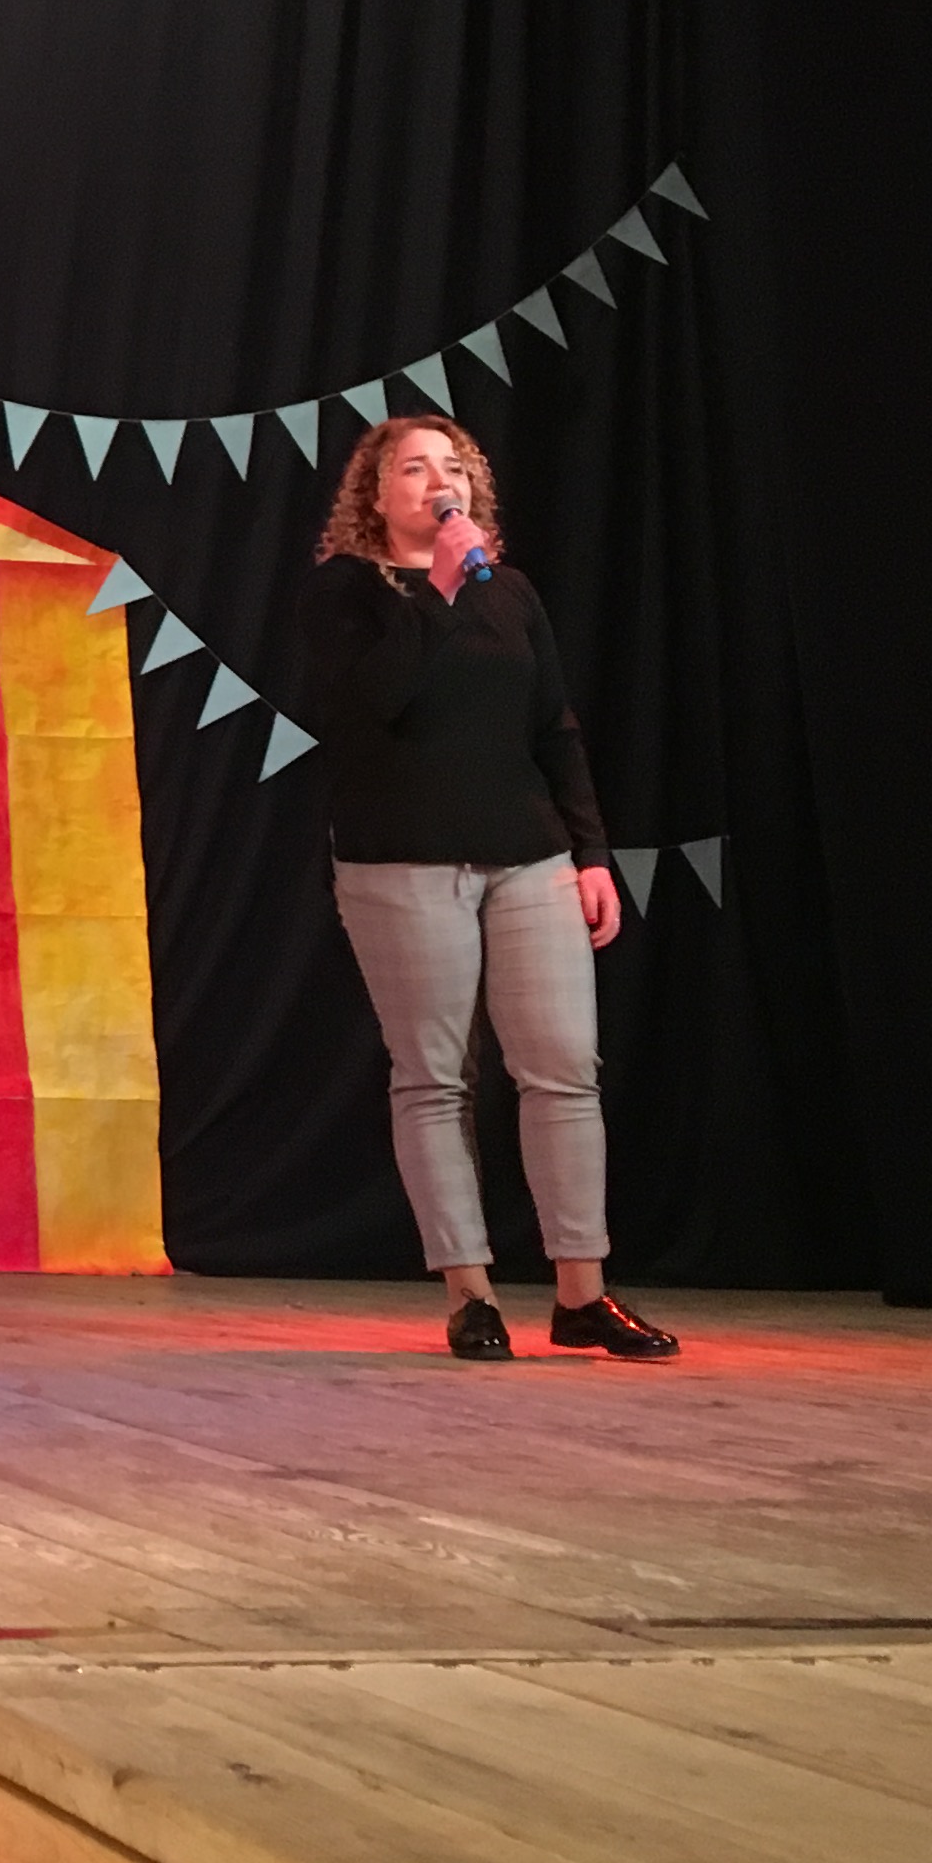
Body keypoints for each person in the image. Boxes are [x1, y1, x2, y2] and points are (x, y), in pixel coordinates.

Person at [293, 415, 679, 1363]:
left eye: (453, 468)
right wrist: (437, 589)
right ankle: (470, 1294)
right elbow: (374, 703)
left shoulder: (509, 593)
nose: (439, 483)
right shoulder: (345, 592)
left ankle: (582, 1293)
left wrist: (591, 854)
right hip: (403, 862)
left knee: (563, 1070)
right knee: (435, 1078)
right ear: (376, 494)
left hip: (529, 857)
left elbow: (554, 729)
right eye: (414, 469)